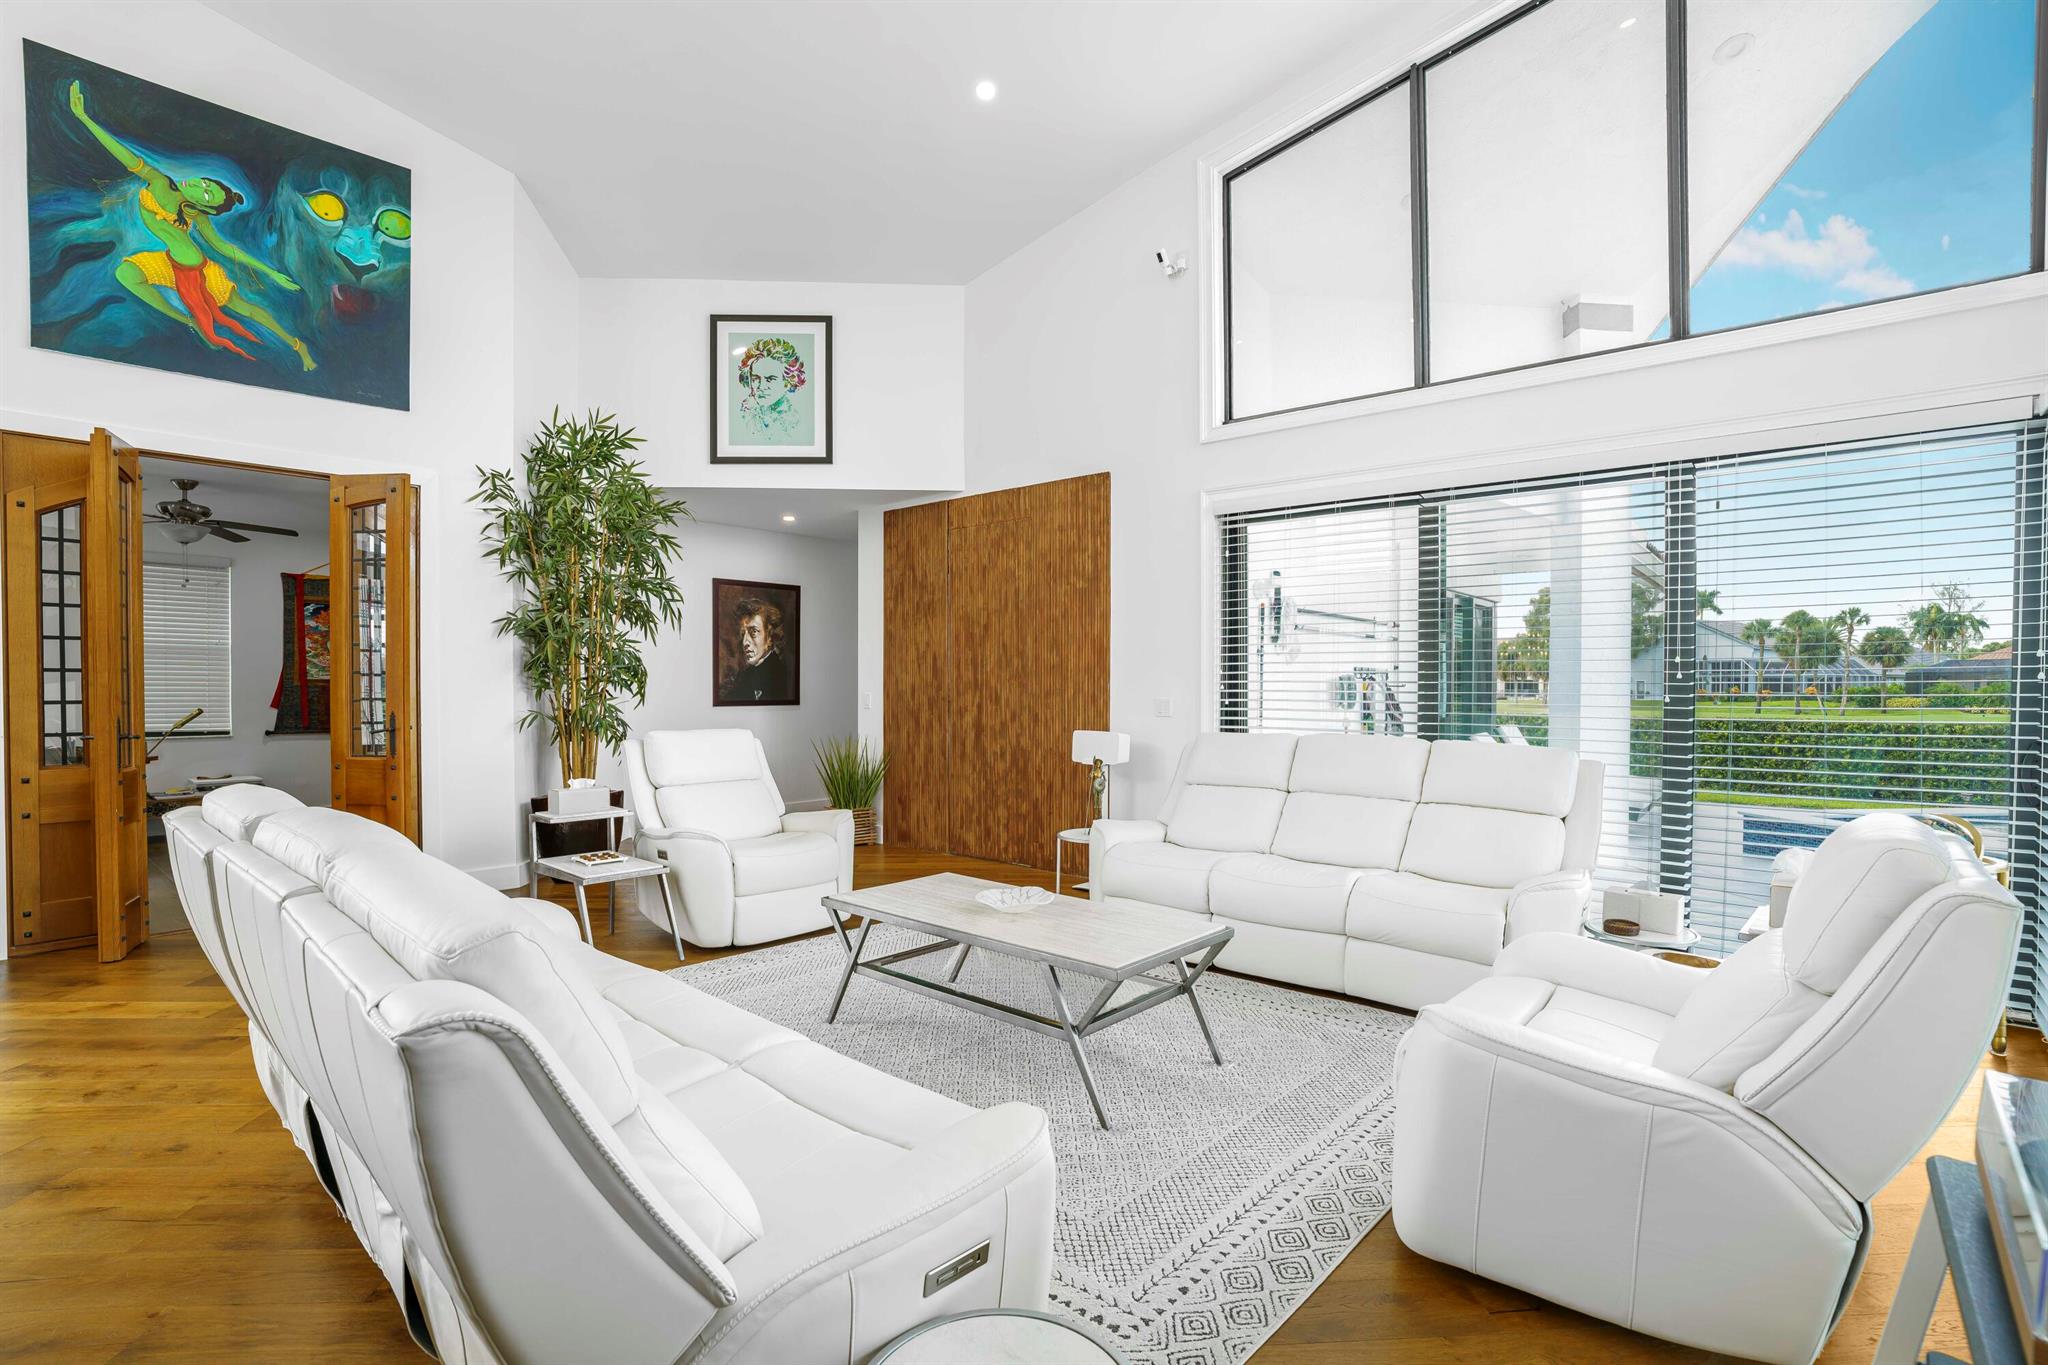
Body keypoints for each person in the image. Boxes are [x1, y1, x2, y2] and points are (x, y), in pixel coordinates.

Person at [67, 79, 315, 370]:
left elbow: (224, 247)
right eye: (206, 183)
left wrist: (272, 273)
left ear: (203, 207)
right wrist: (84, 118)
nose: (198, 185)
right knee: (126, 273)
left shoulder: (198, 216)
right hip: (168, 263)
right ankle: (188, 320)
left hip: (197, 269)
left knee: (245, 309)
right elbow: (127, 157)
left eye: (206, 194)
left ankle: (298, 346)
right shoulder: (160, 183)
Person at [720, 596, 793, 702]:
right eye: (743, 633)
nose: (745, 642)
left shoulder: (780, 675)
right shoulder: (745, 675)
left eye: (753, 631)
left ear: (770, 637)